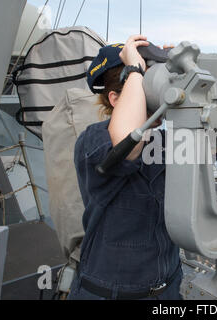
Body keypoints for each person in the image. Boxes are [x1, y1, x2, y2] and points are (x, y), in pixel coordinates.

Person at [67, 35, 182, 300]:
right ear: (117, 98)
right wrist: (134, 72)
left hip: (167, 289)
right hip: (108, 292)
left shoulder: (167, 142)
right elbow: (128, 144)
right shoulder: (93, 140)